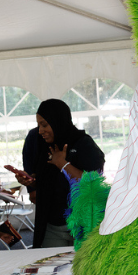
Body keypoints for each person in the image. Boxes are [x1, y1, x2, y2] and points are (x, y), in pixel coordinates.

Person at [7, 100, 104, 247]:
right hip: (52, 226)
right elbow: (49, 181)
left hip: (83, 225)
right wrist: (32, 181)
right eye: (39, 125)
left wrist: (63, 164)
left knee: (84, 268)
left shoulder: (84, 144)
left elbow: (92, 184)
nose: (40, 130)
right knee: (48, 267)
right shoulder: (43, 145)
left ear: (58, 121)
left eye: (44, 125)